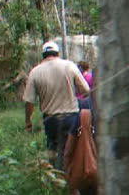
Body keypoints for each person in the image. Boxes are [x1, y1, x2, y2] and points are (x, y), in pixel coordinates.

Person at [23, 41, 90, 170]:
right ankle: (75, 179)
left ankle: (56, 178)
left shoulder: (35, 72)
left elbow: (29, 101)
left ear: (43, 55)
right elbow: (86, 90)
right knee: (74, 150)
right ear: (58, 54)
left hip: (50, 120)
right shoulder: (69, 66)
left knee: (53, 150)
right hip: (72, 118)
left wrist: (28, 121)